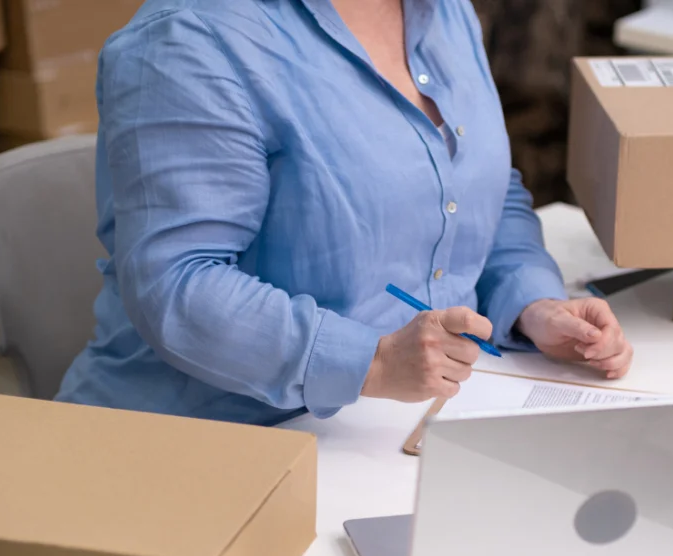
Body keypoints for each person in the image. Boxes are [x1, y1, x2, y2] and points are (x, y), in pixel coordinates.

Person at [56, 0, 634, 425]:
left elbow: (480, 186)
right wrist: (373, 363)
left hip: (396, 425)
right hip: (219, 444)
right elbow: (178, 285)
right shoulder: (189, 39)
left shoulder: (446, 11)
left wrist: (533, 304)